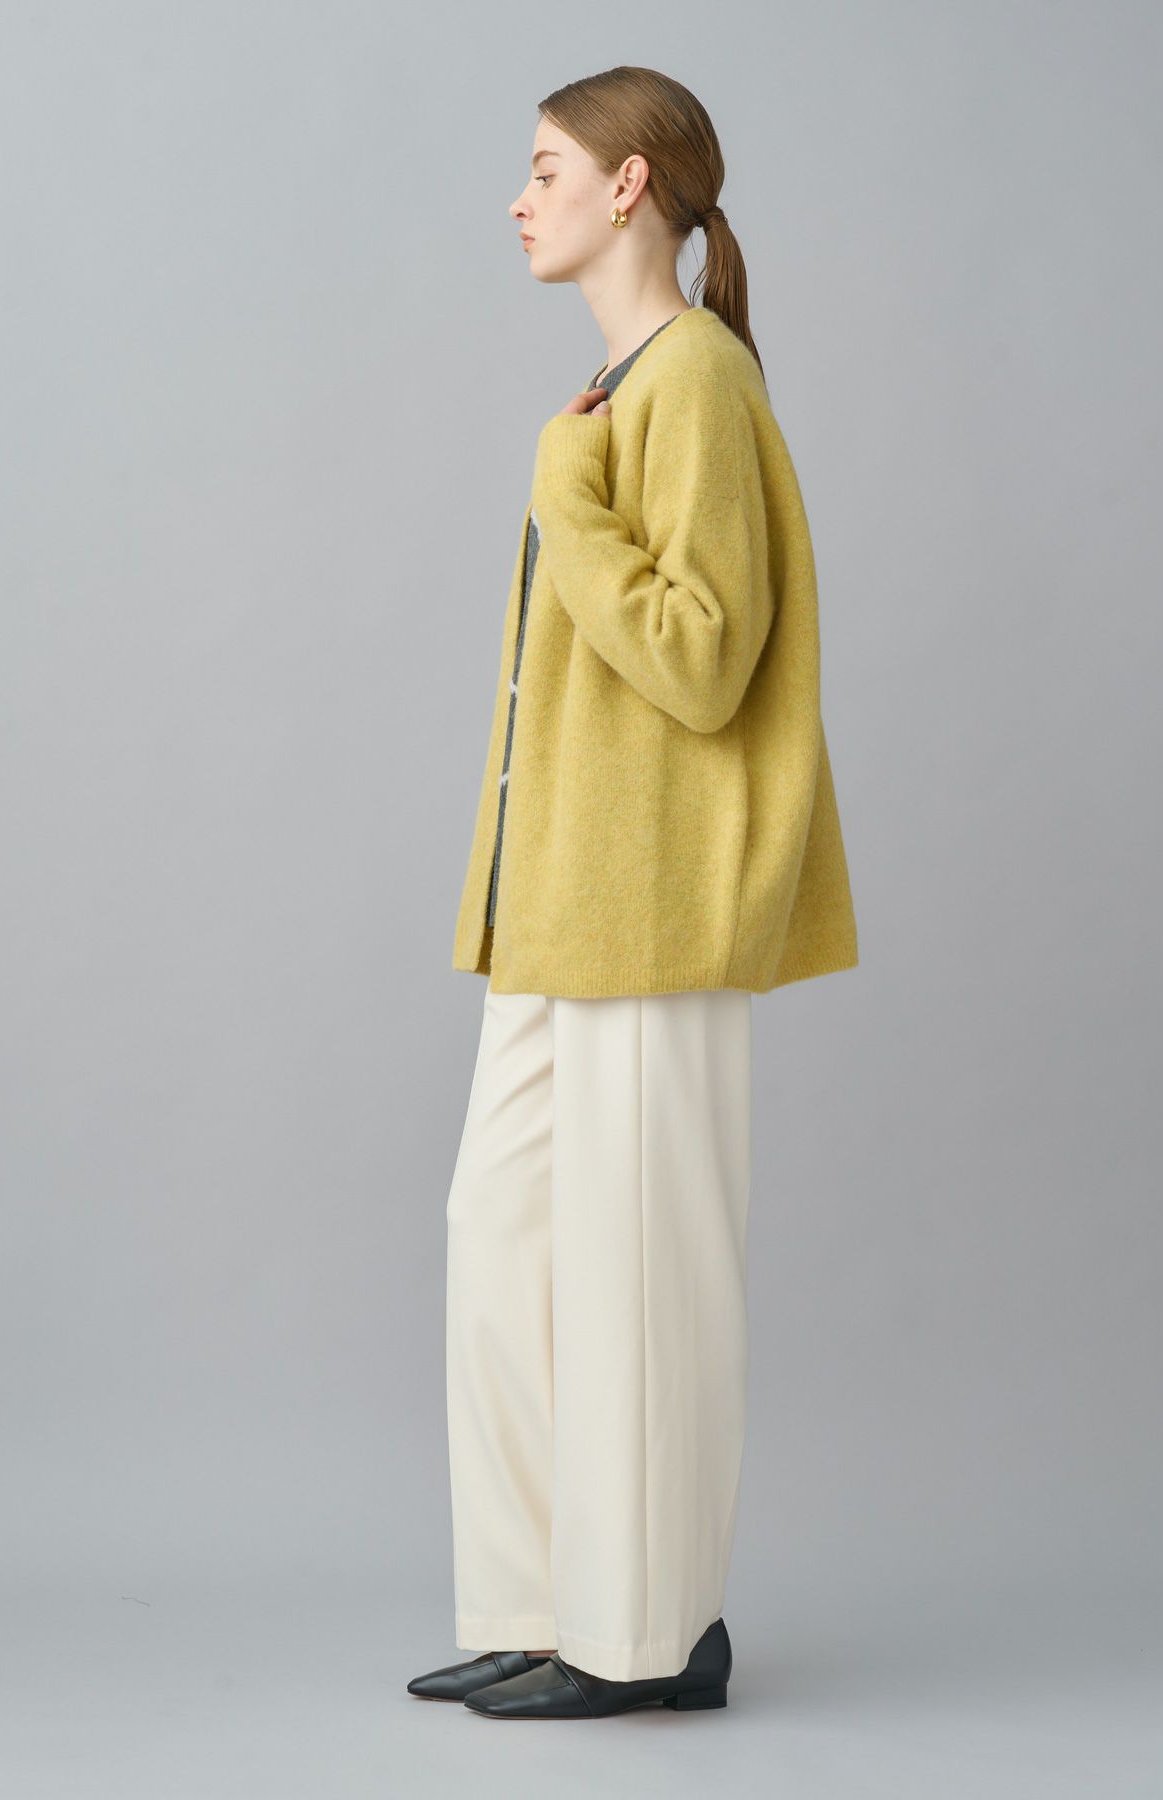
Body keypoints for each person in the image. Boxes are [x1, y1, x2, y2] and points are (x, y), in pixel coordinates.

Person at [409, 64, 858, 1721]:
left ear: (628, 186)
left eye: (545, 168)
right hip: (562, 908)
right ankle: (545, 1604)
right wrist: (574, 480)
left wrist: (566, 503)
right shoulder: (616, 391)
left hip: (655, 907)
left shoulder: (698, 384)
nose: (518, 199)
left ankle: (650, 1634)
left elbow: (701, 655)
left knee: (639, 1271)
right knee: (507, 1235)